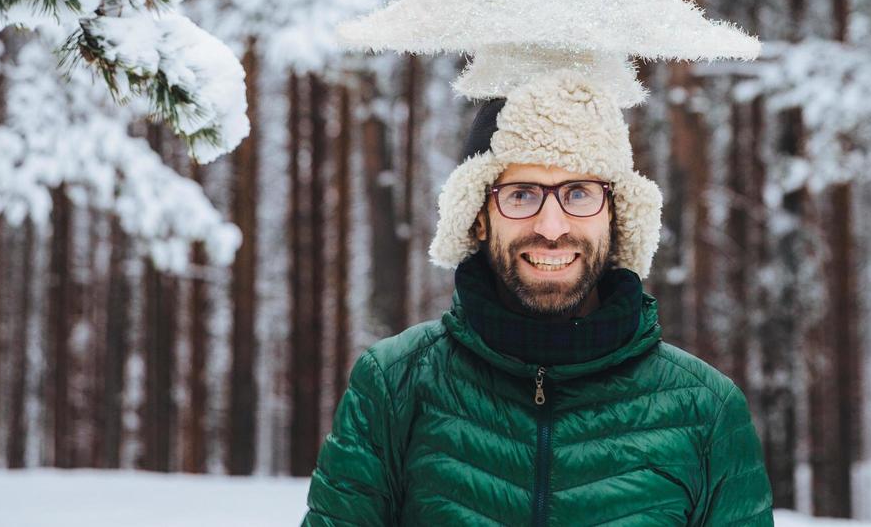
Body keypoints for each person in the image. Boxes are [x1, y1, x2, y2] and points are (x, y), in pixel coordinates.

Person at [301, 69, 773, 525]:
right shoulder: (394, 385)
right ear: (480, 215)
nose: (551, 227)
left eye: (580, 193)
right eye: (522, 195)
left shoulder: (705, 410)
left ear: (616, 214)